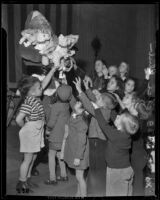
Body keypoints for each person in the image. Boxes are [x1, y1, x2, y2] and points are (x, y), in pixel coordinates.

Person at [15, 66, 58, 193]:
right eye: (40, 88)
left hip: (37, 130)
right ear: (32, 92)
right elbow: (18, 119)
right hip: (31, 131)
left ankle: (27, 179)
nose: (42, 88)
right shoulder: (28, 103)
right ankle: (21, 183)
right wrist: (26, 129)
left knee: (33, 157)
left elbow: (44, 82)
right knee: (27, 159)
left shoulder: (36, 96)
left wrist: (53, 69)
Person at [74, 77, 117, 196]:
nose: (96, 97)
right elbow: (93, 99)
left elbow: (89, 106)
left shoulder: (101, 112)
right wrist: (87, 88)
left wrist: (79, 90)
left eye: (99, 98)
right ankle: (98, 191)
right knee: (97, 169)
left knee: (95, 169)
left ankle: (96, 192)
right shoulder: (104, 108)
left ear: (103, 104)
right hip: (99, 142)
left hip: (97, 143)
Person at [92, 105, 139, 196]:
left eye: (118, 118)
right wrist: (109, 105)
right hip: (127, 170)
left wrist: (97, 108)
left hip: (116, 172)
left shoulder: (115, 135)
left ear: (121, 126)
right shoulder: (127, 134)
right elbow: (116, 118)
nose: (116, 116)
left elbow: (103, 124)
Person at [44, 84, 72, 185]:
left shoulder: (56, 106)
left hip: (55, 136)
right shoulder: (67, 105)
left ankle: (52, 178)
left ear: (57, 94)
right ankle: (64, 175)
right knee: (60, 155)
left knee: (51, 155)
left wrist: (47, 128)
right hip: (64, 135)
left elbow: (52, 122)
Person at [61, 97, 89, 197]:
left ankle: (83, 195)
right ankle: (78, 194)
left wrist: (78, 157)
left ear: (82, 110)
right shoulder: (75, 116)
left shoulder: (81, 123)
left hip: (80, 153)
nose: (76, 102)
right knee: (78, 176)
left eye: (78, 102)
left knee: (79, 177)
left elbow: (82, 142)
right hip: (75, 149)